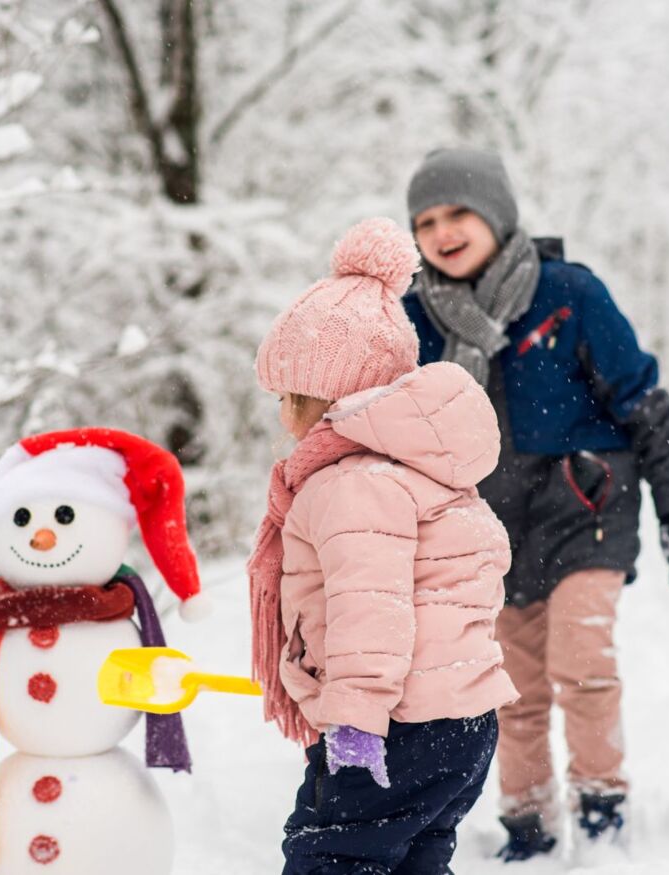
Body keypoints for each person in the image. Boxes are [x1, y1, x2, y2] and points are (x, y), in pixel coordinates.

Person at [402, 146, 669, 860]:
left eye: (459, 212)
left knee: (581, 662)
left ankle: (601, 805)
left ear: (496, 214)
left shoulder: (567, 293)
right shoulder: (416, 318)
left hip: (586, 507)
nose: (442, 230)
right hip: (487, 531)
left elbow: (642, 399)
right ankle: (527, 820)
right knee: (510, 686)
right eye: (425, 220)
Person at [247, 216, 518, 875]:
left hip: (397, 723)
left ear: (328, 397)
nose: (282, 414)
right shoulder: (428, 470)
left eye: (290, 396)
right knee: (413, 858)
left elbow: (371, 606)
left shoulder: (352, 483)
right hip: (461, 722)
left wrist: (356, 717)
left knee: (331, 855)